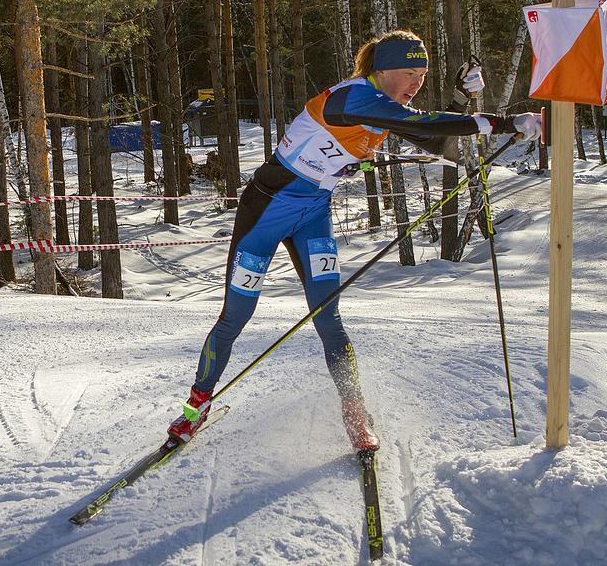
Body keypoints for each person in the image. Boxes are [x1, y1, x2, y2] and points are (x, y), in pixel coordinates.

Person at [168, 29, 542, 452]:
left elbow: (437, 141)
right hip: (266, 212)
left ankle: (354, 413)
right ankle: (194, 408)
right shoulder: (351, 98)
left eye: (423, 73)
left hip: (313, 214)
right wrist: (503, 122)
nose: (417, 83)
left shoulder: (386, 106)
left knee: (328, 317)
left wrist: (461, 100)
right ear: (382, 71)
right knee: (236, 316)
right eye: (409, 72)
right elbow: (419, 123)